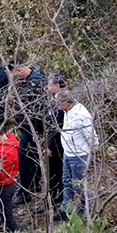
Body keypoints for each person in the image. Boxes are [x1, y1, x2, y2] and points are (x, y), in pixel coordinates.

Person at [56, 89, 99, 219]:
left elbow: (90, 135)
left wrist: (90, 149)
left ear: (65, 102)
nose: (56, 105)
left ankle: (85, 209)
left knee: (78, 184)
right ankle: (65, 209)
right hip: (68, 153)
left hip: (79, 156)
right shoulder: (67, 111)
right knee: (67, 181)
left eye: (58, 102)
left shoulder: (81, 114)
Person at [10, 58, 47, 204]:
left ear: (20, 69)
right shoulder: (29, 80)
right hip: (28, 126)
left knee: (24, 157)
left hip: (33, 127)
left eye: (15, 73)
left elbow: (36, 106)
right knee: (32, 157)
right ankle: (33, 184)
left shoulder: (36, 81)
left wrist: (36, 132)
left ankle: (25, 192)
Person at [42, 72, 67, 214]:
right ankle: (57, 196)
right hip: (54, 141)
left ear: (57, 85)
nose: (47, 87)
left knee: (54, 171)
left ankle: (53, 200)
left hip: (58, 144)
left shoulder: (62, 102)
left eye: (49, 84)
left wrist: (50, 145)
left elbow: (57, 125)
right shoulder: (55, 100)